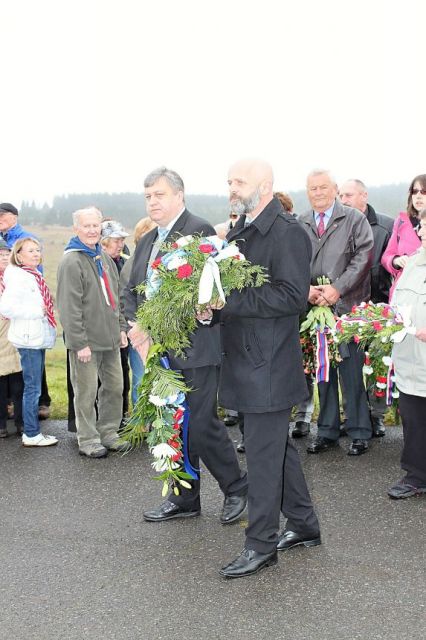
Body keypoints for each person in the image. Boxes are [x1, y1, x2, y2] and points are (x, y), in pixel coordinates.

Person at [123, 167, 247, 525]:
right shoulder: (147, 240)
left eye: (159, 195)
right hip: (158, 352)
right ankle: (184, 497)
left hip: (196, 348)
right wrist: (135, 326)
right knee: (171, 423)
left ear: (179, 195)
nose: (152, 202)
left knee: (202, 423)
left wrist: (150, 324)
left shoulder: (198, 231)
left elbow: (194, 293)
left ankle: (237, 487)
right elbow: (133, 290)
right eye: (148, 196)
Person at [218, 159, 320, 579]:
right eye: (229, 181)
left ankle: (261, 544)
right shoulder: (240, 230)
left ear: (265, 186)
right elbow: (232, 291)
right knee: (274, 449)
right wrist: (214, 310)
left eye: (238, 181)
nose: (231, 187)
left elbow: (293, 297)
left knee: (261, 458)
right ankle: (303, 524)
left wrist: (228, 304)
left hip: (269, 366)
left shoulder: (288, 233)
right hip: (245, 359)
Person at [298, 170, 374, 456]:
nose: (317, 192)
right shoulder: (300, 222)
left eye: (322, 187)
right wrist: (306, 290)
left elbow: (364, 257)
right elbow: (293, 259)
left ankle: (358, 431)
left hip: (346, 307)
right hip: (314, 309)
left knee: (352, 372)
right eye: (312, 188)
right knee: (323, 372)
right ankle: (327, 431)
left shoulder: (354, 219)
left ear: (334, 189)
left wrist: (338, 288)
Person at [57, 207, 130, 458]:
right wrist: (79, 343)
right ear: (76, 229)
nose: (92, 230)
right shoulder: (71, 261)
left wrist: (121, 328)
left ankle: (108, 432)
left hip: (110, 339)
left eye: (95, 226)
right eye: (86, 226)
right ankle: (88, 439)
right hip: (86, 342)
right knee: (86, 392)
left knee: (115, 387)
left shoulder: (104, 257)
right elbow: (69, 307)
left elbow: (116, 298)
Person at [339, 179, 393, 437]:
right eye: (340, 195)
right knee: (350, 366)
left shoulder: (386, 225)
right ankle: (353, 415)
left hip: (379, 305)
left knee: (377, 364)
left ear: (364, 196)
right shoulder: (338, 224)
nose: (343, 200)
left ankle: (377, 415)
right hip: (348, 306)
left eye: (348, 195)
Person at [0, 238, 57, 447]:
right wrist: (36, 312)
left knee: (33, 388)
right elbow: (5, 308)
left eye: (38, 250)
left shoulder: (33, 274)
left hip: (36, 336)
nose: (35, 254)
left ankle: (33, 432)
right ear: (19, 255)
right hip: (28, 337)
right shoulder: (18, 277)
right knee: (32, 388)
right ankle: (31, 434)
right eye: (30, 250)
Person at [0, 202, 52, 420]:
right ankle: (17, 411)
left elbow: (33, 273)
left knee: (29, 366)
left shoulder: (23, 238)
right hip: (17, 313)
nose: (0, 218)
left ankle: (37, 407)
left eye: (3, 215)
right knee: (12, 362)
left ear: (14, 216)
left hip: (24, 314)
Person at [387, 208, 426, 498]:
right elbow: (397, 299)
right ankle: (417, 475)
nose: (420, 232)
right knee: (413, 417)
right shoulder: (413, 263)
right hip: (410, 357)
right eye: (420, 225)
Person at [119, 216, 157, 407]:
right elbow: (125, 297)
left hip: (161, 330)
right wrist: (133, 326)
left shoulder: (165, 259)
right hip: (140, 329)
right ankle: (141, 425)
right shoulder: (133, 263)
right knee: (141, 379)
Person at [101, 220, 131, 417]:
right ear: (103, 242)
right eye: (116, 240)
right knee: (106, 382)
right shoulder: (98, 263)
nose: (121, 244)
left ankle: (120, 418)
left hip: (122, 327)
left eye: (122, 240)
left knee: (122, 377)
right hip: (103, 331)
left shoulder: (123, 261)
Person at [381, 174, 425, 301]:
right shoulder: (401, 221)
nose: (418, 195)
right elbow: (386, 257)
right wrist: (396, 261)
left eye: (424, 191)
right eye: (414, 191)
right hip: (403, 293)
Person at [0, 238, 23, 438]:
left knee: (18, 380)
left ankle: (20, 421)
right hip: (1, 333)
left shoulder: (16, 277)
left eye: (7, 254)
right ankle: (1, 424)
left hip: (17, 331)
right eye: (0, 255)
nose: (4, 258)